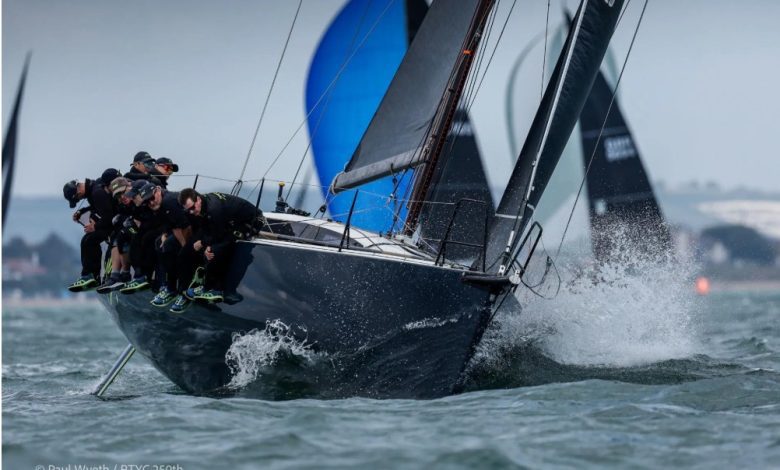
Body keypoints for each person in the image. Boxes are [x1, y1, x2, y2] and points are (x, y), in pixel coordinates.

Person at [178, 188, 266, 305]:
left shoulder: (214, 209)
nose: (192, 212)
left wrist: (205, 244)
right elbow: (207, 228)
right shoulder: (204, 205)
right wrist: (204, 245)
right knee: (204, 247)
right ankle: (206, 284)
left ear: (198, 199)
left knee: (216, 249)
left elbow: (219, 235)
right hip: (232, 222)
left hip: (252, 221)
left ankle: (216, 289)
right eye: (188, 210)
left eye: (193, 208)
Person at [131, 183, 193, 313]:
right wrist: (165, 234)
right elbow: (170, 223)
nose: (151, 203)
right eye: (147, 202)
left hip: (194, 228)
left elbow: (186, 226)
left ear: (158, 191)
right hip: (181, 227)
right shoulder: (160, 205)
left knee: (174, 249)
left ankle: (181, 290)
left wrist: (185, 249)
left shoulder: (168, 201)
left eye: (152, 198)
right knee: (160, 243)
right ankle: (168, 286)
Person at [63, 177, 115, 291]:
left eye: (77, 198)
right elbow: (96, 207)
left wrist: (94, 226)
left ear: (79, 191)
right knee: (87, 240)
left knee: (89, 240)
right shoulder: (93, 190)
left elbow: (109, 216)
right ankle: (91, 276)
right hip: (109, 223)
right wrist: (81, 212)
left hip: (114, 226)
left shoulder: (97, 192)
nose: (79, 200)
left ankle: (90, 276)